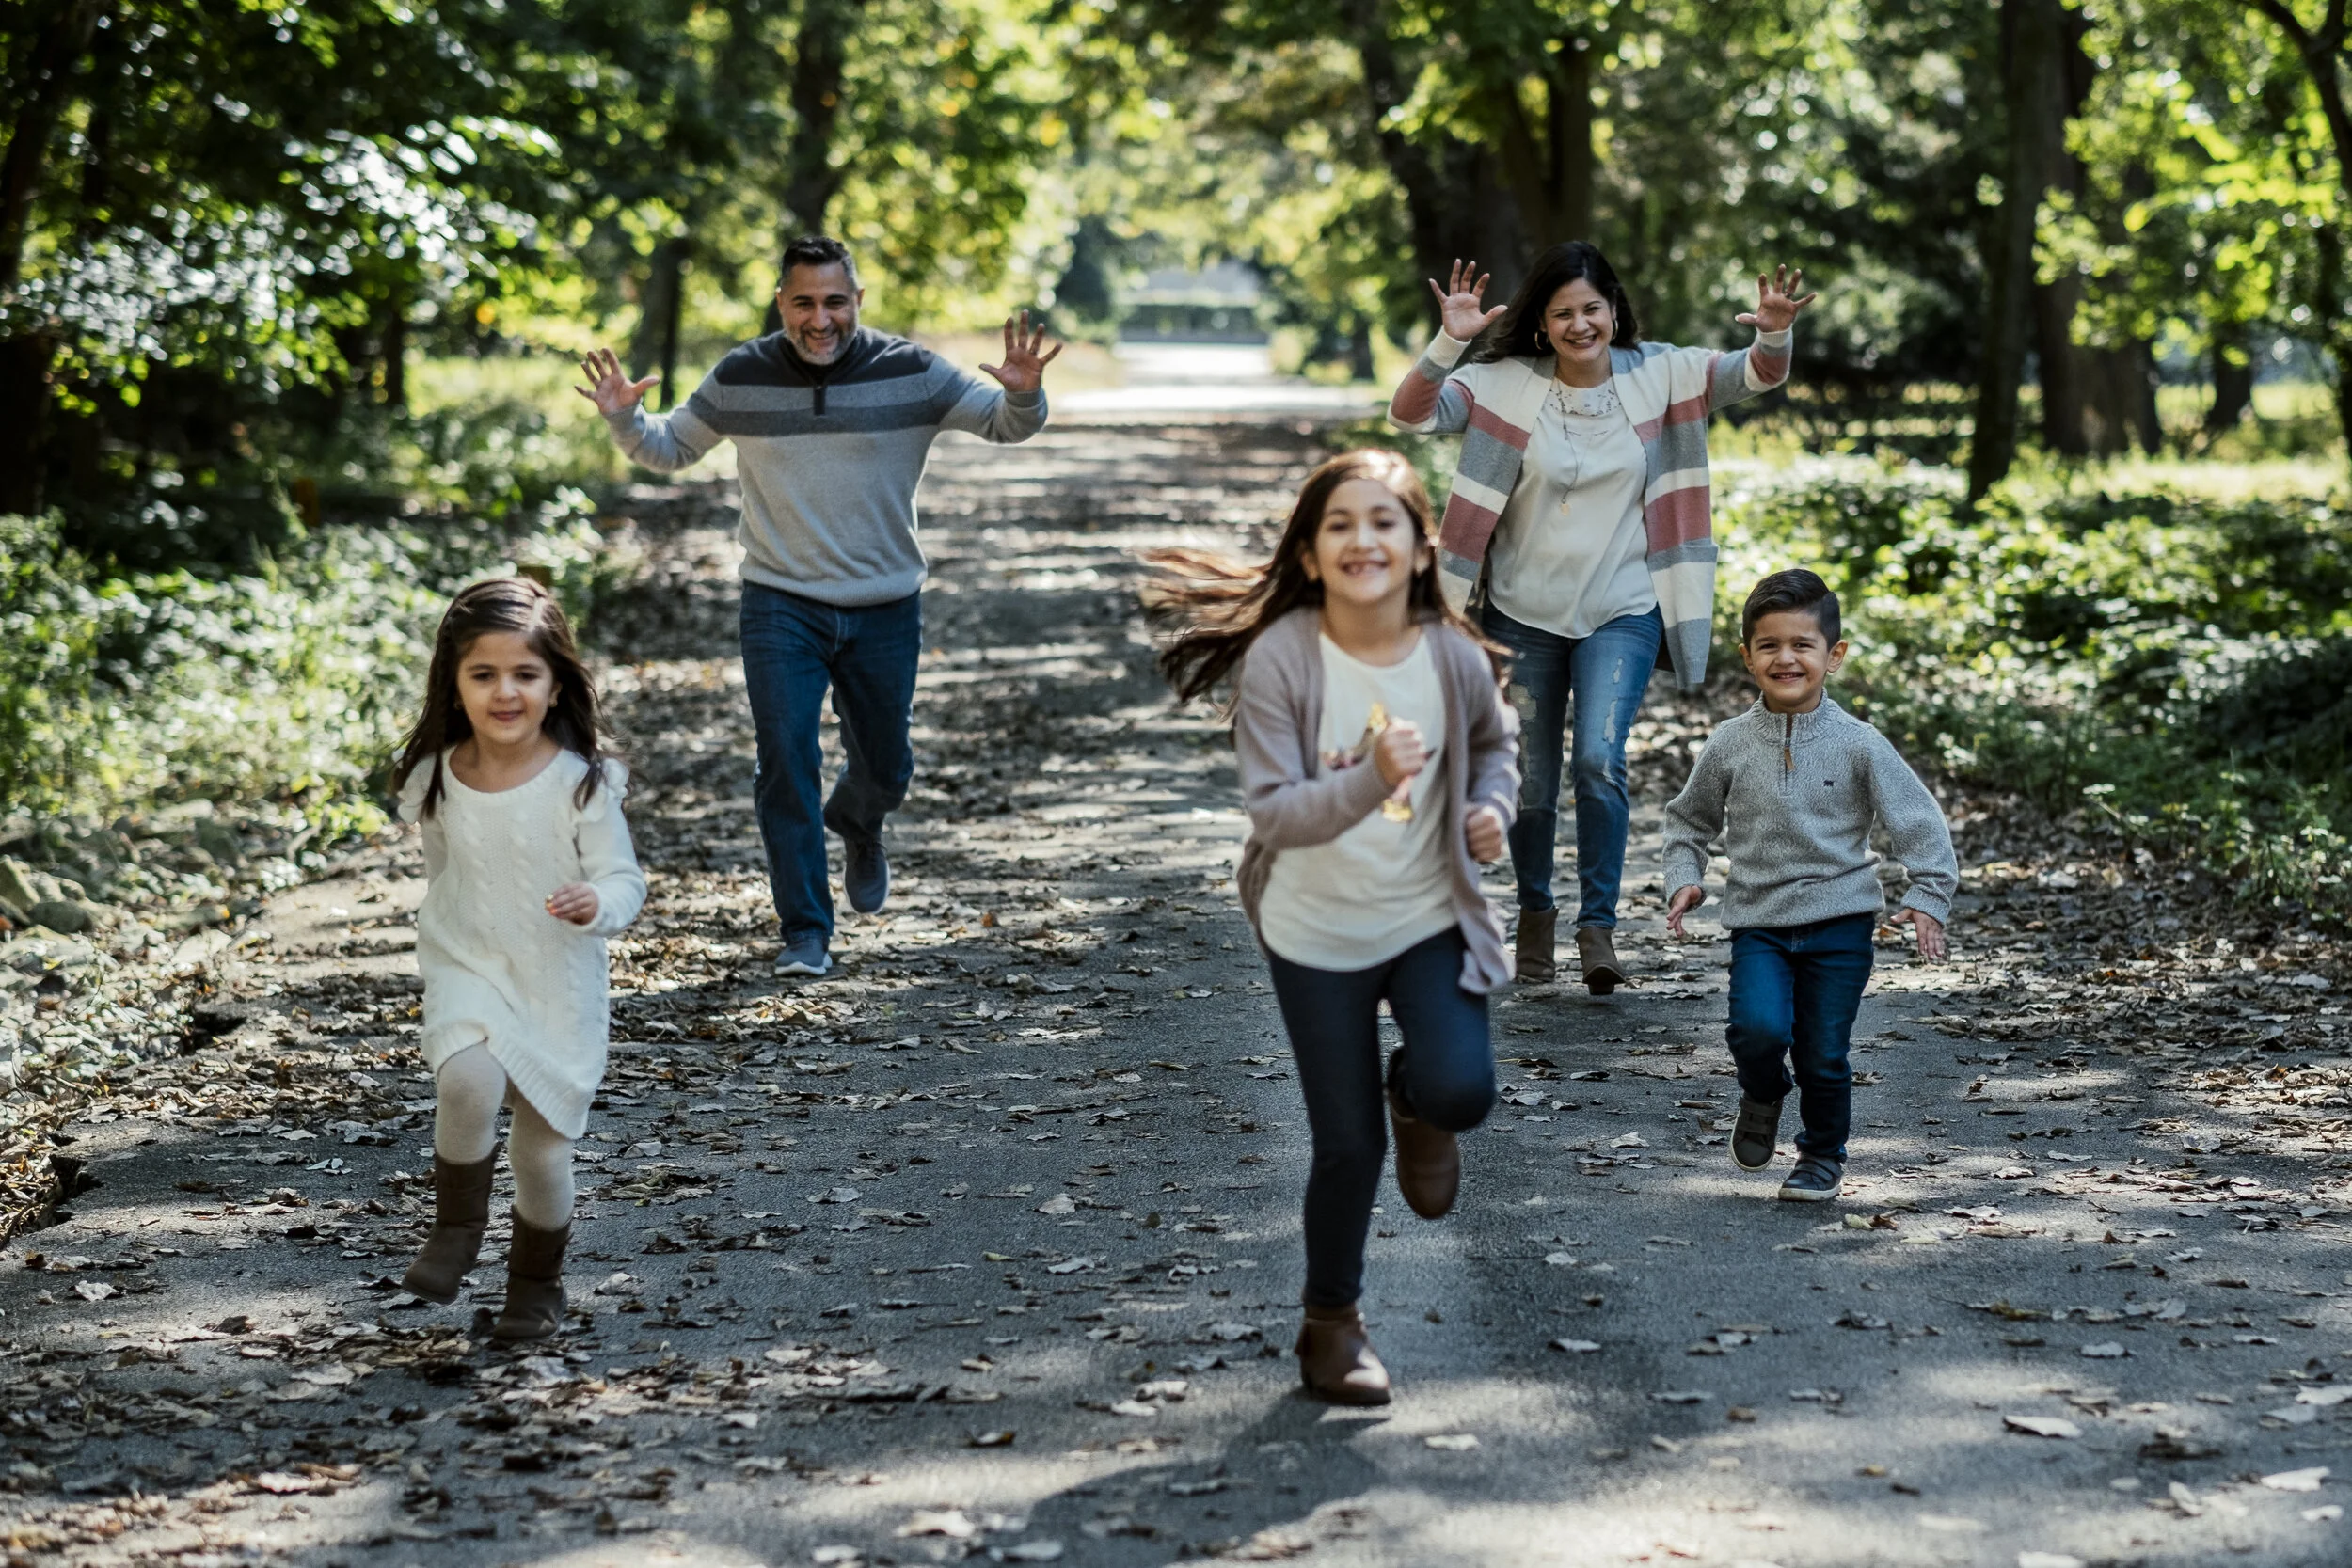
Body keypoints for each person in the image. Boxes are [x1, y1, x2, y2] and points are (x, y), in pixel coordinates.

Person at [576, 234, 1059, 976]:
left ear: (857, 299)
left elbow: (1005, 422)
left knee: (887, 764)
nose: (820, 318)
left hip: (884, 603)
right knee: (785, 758)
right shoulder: (742, 374)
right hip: (781, 602)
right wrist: (623, 419)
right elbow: (670, 447)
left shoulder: (912, 370)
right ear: (781, 303)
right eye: (803, 302)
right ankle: (805, 928)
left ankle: (860, 819)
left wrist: (1023, 391)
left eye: (835, 301)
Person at [1144, 450, 1518, 1405]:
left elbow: (1493, 746)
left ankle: (1415, 1096)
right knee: (1347, 1145)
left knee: (1461, 1088)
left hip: (1427, 911)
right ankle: (1331, 1326)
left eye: (1384, 521)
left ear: (1422, 549)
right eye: (1339, 524)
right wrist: (1373, 777)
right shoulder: (1285, 656)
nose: (1363, 540)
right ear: (1310, 556)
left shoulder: (1451, 655)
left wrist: (1490, 808)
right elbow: (1275, 813)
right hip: (1312, 929)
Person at [1390, 242, 1814, 993]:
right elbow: (1411, 413)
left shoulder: (1663, 374)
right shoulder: (1502, 383)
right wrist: (1450, 340)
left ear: (1614, 309)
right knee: (1530, 780)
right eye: (1563, 313)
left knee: (1598, 758)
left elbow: (1756, 373)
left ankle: (1597, 928)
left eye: (1592, 308)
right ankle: (1535, 914)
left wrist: (1774, 331)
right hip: (1520, 613)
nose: (1580, 324)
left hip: (1623, 607)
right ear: (1542, 323)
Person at [389, 578, 647, 1339]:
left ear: (555, 684)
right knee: (466, 1078)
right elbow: (444, 874)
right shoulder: (437, 776)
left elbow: (624, 878)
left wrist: (598, 902)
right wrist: (449, 946)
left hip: (555, 984)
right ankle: (456, 1229)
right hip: (467, 962)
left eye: (525, 674)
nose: (506, 691)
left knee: (540, 1153)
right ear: (454, 683)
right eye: (484, 674)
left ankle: (536, 1286)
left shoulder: (581, 783)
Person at [1661, 570, 1956, 1202]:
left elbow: (1919, 821)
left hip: (1841, 924)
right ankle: (1764, 1089)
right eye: (1769, 645)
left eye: (1803, 644)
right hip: (1759, 922)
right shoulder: (1730, 743)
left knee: (1823, 1051)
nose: (1786, 658)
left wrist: (1929, 894)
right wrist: (1684, 877)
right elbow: (1688, 821)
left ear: (1834, 655)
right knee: (1757, 1031)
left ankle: (1821, 1156)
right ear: (1747, 657)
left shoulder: (1859, 744)